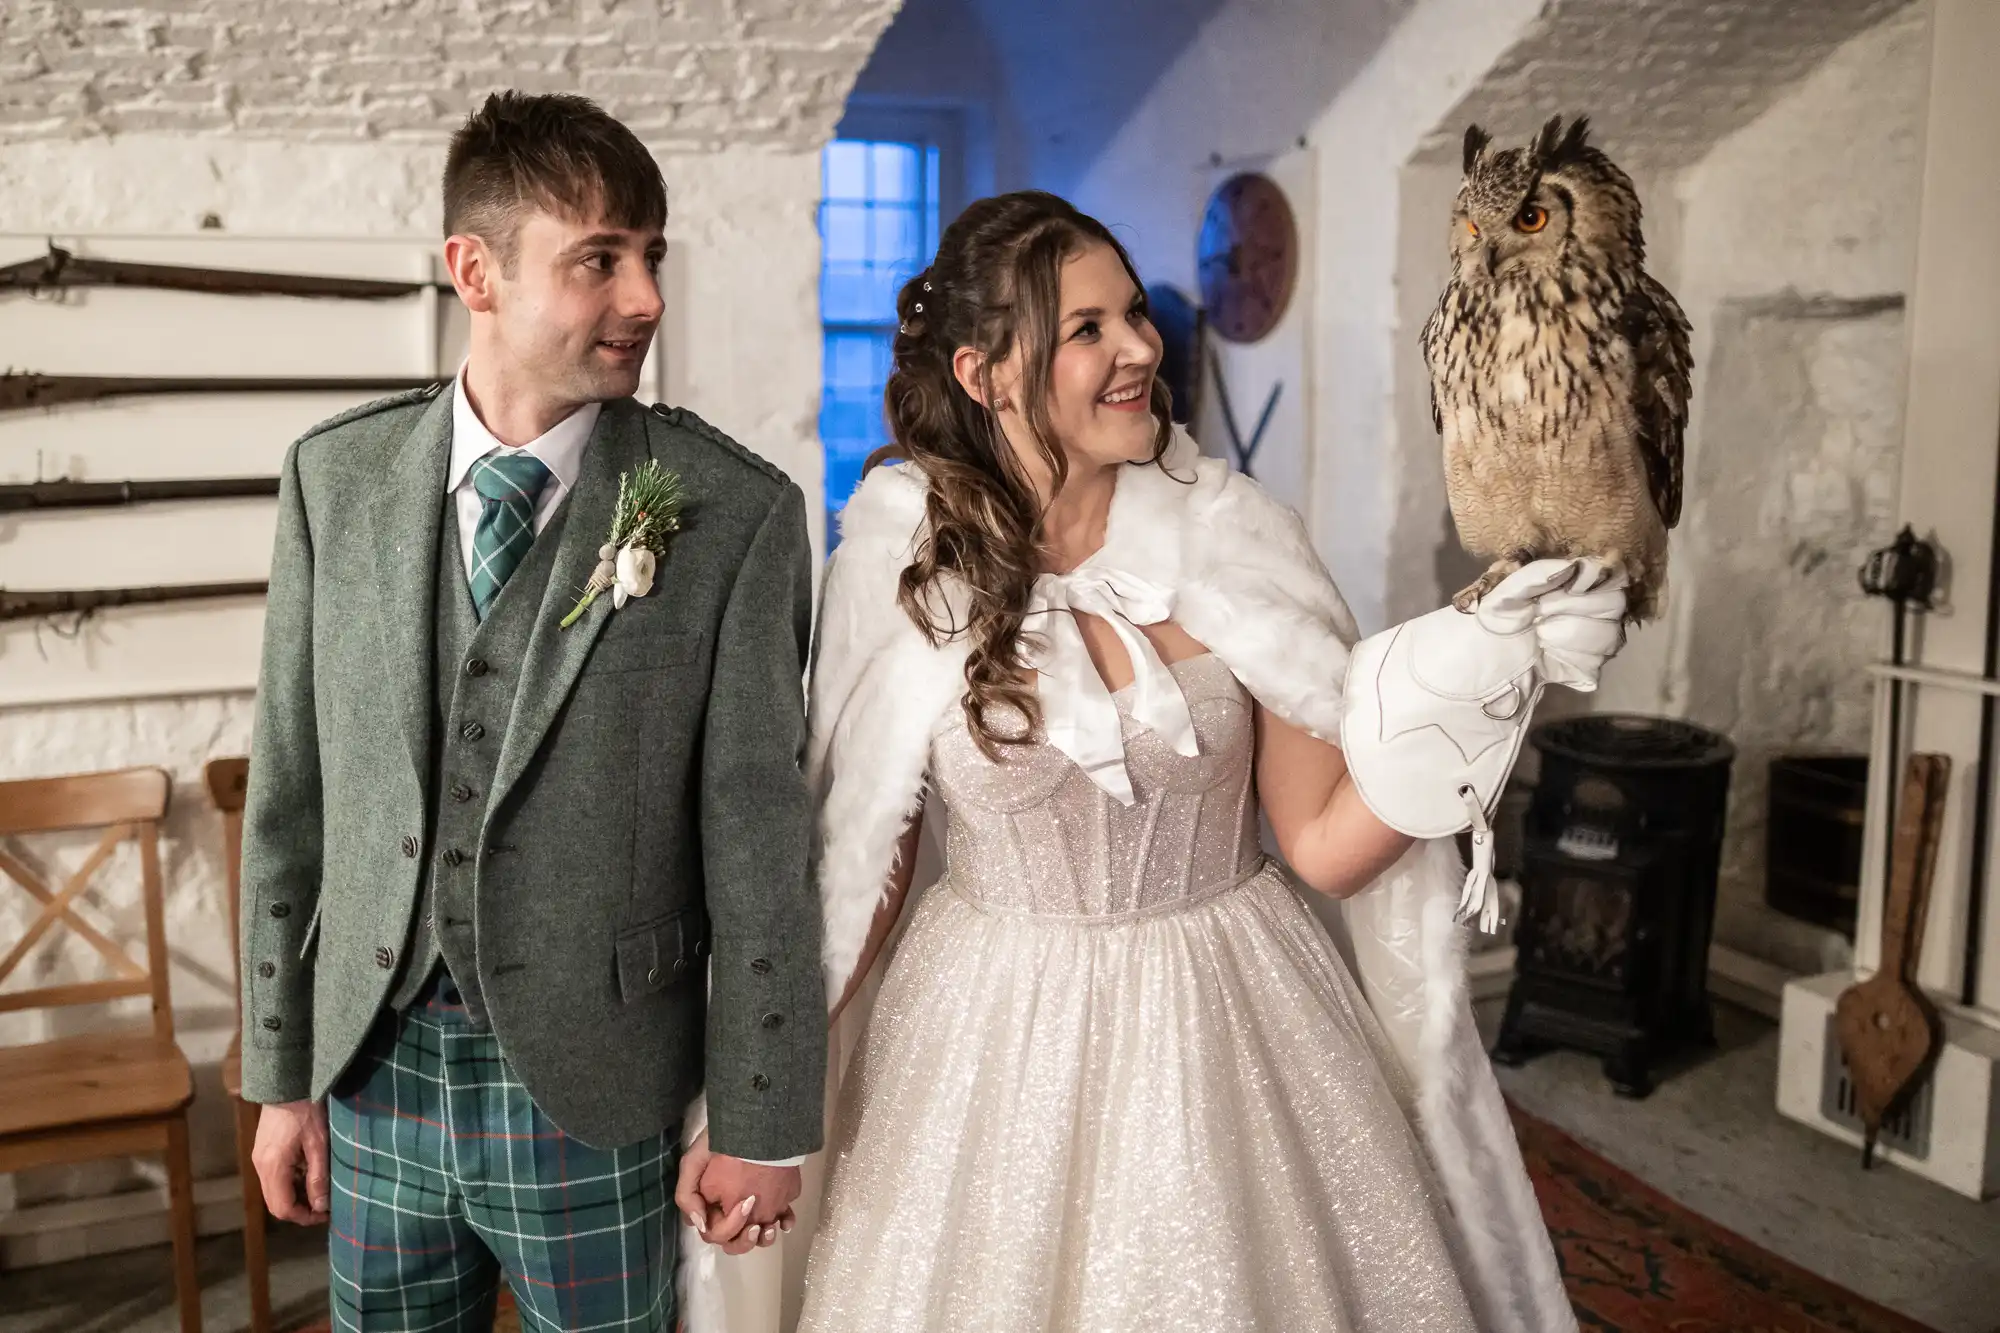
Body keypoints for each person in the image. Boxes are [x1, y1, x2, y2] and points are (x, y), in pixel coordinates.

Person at [781, 190, 1619, 1332]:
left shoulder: (1233, 536)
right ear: (982, 374)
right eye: (1087, 329)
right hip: (985, 1038)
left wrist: (1485, 677)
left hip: (1230, 1015)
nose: (1139, 347)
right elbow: (859, 867)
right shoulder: (898, 560)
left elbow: (1325, 843)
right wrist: (766, 1102)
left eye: (1132, 313)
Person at [237, 90, 823, 1333]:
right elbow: (289, 805)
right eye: (597, 259)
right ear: (475, 272)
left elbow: (762, 851)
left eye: (650, 255)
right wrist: (279, 1077)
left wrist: (764, 1119)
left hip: (596, 1085)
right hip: (372, 1072)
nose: (645, 298)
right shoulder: (330, 481)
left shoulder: (734, 515)